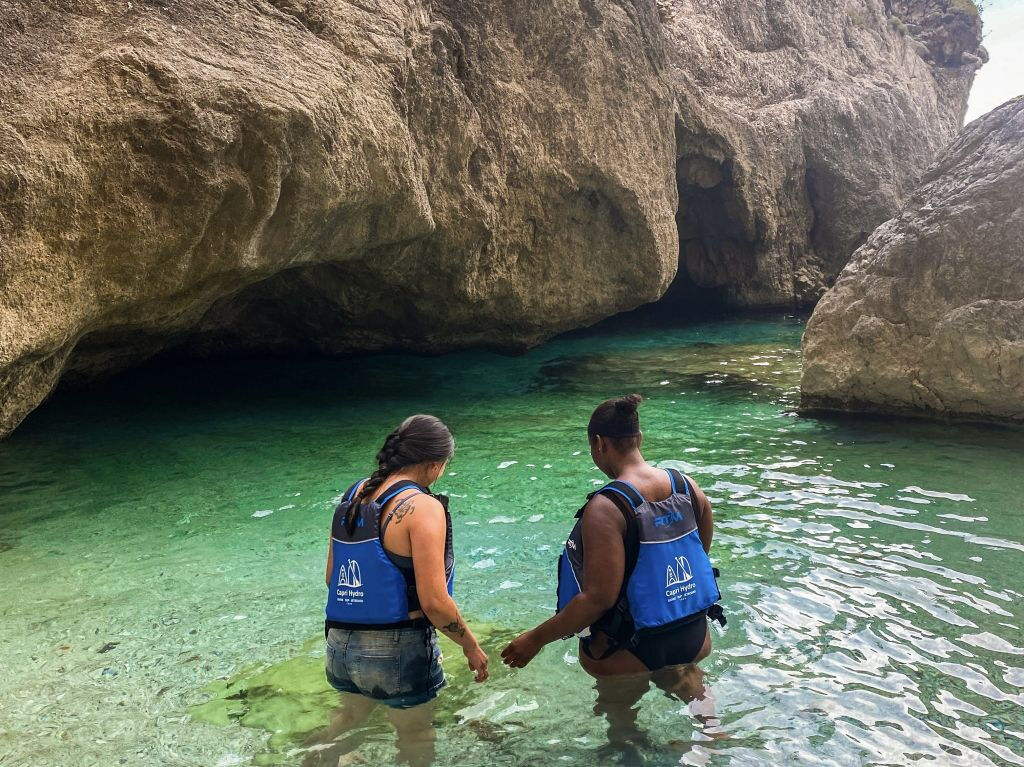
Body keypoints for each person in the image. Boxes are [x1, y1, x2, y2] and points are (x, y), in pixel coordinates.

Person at [501, 394, 724, 749]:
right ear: (640, 439)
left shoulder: (606, 507)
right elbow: (699, 555)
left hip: (624, 649)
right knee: (691, 687)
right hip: (692, 636)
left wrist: (535, 639)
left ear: (599, 444)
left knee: (621, 719)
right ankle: (712, 740)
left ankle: (630, 746)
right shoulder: (687, 486)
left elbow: (598, 599)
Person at [312, 414, 488, 766]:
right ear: (436, 464)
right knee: (416, 735)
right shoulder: (423, 507)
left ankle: (309, 760)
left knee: (346, 722)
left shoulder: (353, 494)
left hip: (339, 647)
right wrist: (471, 645)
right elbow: (435, 603)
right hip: (396, 650)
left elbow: (334, 579)